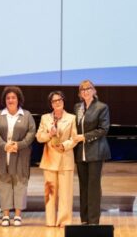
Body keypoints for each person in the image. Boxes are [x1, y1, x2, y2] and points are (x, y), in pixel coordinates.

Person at [0, 86, 36, 227]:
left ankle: (17, 215)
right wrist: (4, 145)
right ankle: (5, 215)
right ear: (5, 100)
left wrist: (19, 145)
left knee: (20, 183)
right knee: (4, 183)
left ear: (18, 99)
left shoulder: (26, 115)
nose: (10, 100)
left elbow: (31, 132)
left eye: (13, 97)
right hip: (2, 153)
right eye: (8, 98)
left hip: (20, 154)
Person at [36, 90, 78, 227]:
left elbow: (74, 138)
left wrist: (64, 145)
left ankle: (64, 221)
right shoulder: (45, 118)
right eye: (54, 101)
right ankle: (50, 221)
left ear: (63, 101)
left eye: (59, 100)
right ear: (51, 104)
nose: (57, 102)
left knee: (65, 193)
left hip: (65, 158)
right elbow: (39, 137)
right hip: (49, 159)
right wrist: (49, 134)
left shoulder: (72, 118)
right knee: (50, 192)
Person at [73, 80, 110, 225]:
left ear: (94, 90)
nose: (85, 91)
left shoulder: (102, 107)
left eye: (88, 88)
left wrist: (84, 137)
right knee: (83, 187)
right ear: (80, 93)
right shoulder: (78, 107)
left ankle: (93, 221)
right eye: (82, 89)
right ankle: (84, 220)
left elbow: (103, 129)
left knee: (93, 187)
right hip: (80, 152)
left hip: (96, 151)